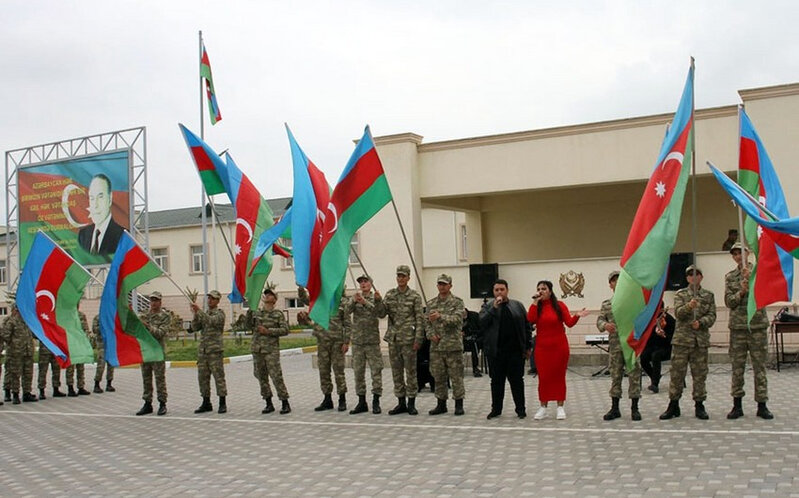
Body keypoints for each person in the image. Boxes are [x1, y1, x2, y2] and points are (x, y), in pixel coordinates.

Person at [660, 265, 716, 421]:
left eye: (696, 274)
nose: (693, 277)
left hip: (700, 341)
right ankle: (673, 405)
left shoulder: (708, 295)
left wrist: (702, 322)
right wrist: (688, 306)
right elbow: (678, 313)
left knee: (699, 375)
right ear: (687, 279)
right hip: (682, 341)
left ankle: (699, 405)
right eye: (690, 275)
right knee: (677, 374)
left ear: (701, 277)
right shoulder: (681, 294)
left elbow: (712, 315)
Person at [526, 280, 589, 420]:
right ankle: (543, 407)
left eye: (544, 288)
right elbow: (530, 319)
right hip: (542, 348)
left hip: (559, 347)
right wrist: (535, 303)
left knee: (559, 377)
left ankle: (560, 407)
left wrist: (577, 315)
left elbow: (569, 323)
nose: (541, 291)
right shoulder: (537, 306)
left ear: (550, 291)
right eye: (539, 289)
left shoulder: (559, 305)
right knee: (544, 378)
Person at [724, 242, 773, 419]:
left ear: (748, 253)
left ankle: (762, 405)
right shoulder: (730, 277)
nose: (738, 256)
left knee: (760, 367)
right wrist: (741, 292)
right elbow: (729, 302)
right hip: (738, 328)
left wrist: (751, 280)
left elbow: (766, 293)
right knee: (737, 368)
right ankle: (737, 405)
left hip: (757, 325)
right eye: (735, 254)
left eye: (741, 253)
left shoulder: (759, 272)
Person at [479, 279, 532, 419]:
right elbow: (482, 323)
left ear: (507, 290)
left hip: (515, 351)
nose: (499, 292)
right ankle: (496, 409)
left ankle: (520, 409)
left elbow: (527, 327)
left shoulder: (517, 305)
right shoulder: (488, 307)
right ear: (493, 292)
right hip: (496, 352)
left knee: (517, 381)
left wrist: (528, 346)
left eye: (502, 289)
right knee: (496, 382)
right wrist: (493, 308)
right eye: (496, 290)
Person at [378, 265, 425, 416]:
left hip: (409, 340)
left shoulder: (414, 296)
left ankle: (411, 403)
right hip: (394, 339)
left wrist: (418, 339)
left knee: (411, 372)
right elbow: (381, 313)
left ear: (408, 278)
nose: (400, 278)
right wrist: (378, 301)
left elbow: (420, 319)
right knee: (396, 372)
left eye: (403, 276)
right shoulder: (390, 294)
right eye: (398, 276)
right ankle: (401, 403)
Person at [597, 270, 642, 421]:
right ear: (610, 284)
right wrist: (605, 325)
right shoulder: (607, 304)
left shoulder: (633, 302)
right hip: (616, 346)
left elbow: (642, 319)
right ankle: (615, 408)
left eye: (619, 280)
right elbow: (599, 321)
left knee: (634, 376)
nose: (617, 283)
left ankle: (635, 408)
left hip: (630, 345)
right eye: (614, 280)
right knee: (615, 376)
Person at [299, 287, 350, 412]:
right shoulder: (319, 299)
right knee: (324, 371)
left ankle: (342, 399)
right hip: (322, 340)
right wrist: (300, 286)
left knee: (339, 371)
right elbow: (305, 299)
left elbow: (347, 323)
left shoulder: (342, 302)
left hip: (337, 341)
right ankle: (327, 399)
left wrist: (346, 341)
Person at [425, 274, 466, 416]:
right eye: (439, 284)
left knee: (456, 376)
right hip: (437, 347)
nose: (441, 286)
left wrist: (440, 316)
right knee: (438, 376)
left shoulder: (457, 302)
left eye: (444, 284)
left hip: (452, 346)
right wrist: (430, 335)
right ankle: (441, 403)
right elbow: (427, 323)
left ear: (450, 286)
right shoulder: (431, 304)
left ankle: (459, 403)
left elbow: (457, 319)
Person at [345, 274, 385, 415]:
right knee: (358, 372)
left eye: (365, 281)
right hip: (358, 342)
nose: (363, 284)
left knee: (376, 371)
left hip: (372, 341)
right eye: (361, 282)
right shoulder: (355, 297)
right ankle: (361, 401)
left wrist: (364, 303)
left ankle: (376, 401)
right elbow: (346, 312)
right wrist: (353, 301)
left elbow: (380, 313)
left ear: (371, 283)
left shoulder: (376, 297)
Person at [247, 288, 291, 415]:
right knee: (261, 377)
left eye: (270, 295)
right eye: (266, 294)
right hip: (258, 350)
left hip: (271, 350)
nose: (267, 296)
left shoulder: (277, 314)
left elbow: (285, 330)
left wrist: (269, 331)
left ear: (275, 299)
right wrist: (250, 309)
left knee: (276, 376)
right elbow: (247, 326)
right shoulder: (256, 312)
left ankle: (284, 402)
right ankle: (268, 402)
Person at [190, 290, 228, 414]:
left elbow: (211, 321)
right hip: (203, 351)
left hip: (215, 351)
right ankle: (206, 402)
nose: (210, 300)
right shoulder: (204, 313)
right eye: (209, 298)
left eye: (213, 298)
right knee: (203, 378)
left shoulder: (220, 314)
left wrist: (199, 311)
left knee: (219, 377)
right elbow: (195, 327)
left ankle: (222, 402)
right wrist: (196, 314)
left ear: (218, 301)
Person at [136, 291, 171, 416]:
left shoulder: (165, 316)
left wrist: (148, 326)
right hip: (146, 351)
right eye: (152, 300)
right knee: (146, 378)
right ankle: (147, 403)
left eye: (156, 300)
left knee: (159, 378)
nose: (153, 303)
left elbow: (161, 333)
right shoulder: (144, 315)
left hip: (157, 352)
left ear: (160, 302)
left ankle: (162, 403)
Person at [77, 174, 125, 255]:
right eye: (92, 198)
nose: (95, 205)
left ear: (110, 199)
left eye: (100, 197)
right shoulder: (83, 235)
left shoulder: (122, 236)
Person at [2, 304, 38, 403]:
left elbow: (34, 334)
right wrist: (14, 344)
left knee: (28, 374)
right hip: (16, 353)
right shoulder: (12, 322)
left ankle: (26, 393)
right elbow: (5, 336)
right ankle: (15, 394)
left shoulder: (28, 321)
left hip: (28, 352)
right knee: (15, 374)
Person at [640, 303, 674, 393]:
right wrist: (654, 333)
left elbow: (673, 338)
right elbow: (647, 338)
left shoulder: (669, 320)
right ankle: (654, 375)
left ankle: (655, 384)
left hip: (666, 348)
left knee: (656, 356)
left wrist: (664, 335)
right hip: (653, 346)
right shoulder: (651, 320)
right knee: (643, 357)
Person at [65, 307, 91, 396]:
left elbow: (86, 330)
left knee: (80, 367)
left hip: (80, 345)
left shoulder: (81, 315)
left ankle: (81, 387)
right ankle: (70, 387)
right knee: (70, 368)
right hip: (71, 345)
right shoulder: (66, 315)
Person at [92, 314, 115, 393]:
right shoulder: (98, 317)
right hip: (101, 344)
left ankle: (109, 383)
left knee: (111, 364)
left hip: (110, 343)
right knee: (101, 364)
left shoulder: (111, 316)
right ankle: (97, 384)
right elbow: (94, 330)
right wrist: (104, 326)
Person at [462, 307, 483, 377]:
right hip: (461, 340)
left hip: (474, 339)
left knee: (474, 345)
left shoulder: (474, 316)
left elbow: (481, 330)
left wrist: (469, 333)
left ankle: (475, 368)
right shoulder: (456, 317)